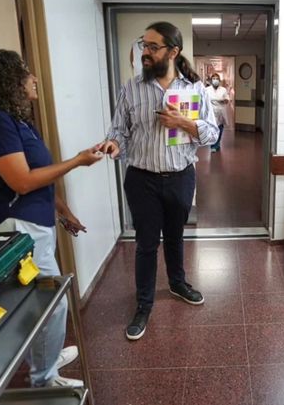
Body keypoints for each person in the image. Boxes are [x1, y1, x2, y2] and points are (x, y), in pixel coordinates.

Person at [0, 50, 104, 386]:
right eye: (27, 73)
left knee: (43, 299)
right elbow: (22, 181)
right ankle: (44, 378)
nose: (34, 79)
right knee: (50, 303)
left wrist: (63, 211)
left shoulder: (16, 120)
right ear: (7, 81)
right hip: (17, 227)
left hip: (36, 222)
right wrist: (77, 161)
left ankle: (48, 358)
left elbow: (38, 176)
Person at [99, 22, 219, 341]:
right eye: (144, 46)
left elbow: (213, 134)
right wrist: (113, 145)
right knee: (147, 244)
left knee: (176, 237)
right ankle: (143, 304)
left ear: (173, 51)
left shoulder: (194, 89)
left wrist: (184, 123)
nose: (145, 53)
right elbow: (118, 131)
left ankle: (178, 284)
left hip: (181, 177)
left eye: (153, 47)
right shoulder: (132, 88)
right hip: (142, 180)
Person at [206, 73, 230, 152]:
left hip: (221, 112)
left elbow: (227, 100)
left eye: (217, 78)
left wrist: (223, 100)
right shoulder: (207, 90)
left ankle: (216, 144)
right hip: (211, 113)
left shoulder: (223, 89)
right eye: (214, 78)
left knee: (219, 129)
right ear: (211, 80)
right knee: (212, 130)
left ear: (219, 80)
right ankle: (214, 145)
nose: (215, 80)